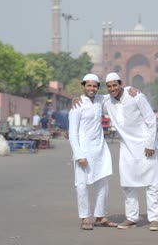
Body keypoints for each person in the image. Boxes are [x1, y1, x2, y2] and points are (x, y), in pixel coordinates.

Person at [103, 72, 158, 231]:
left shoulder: (136, 96)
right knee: (127, 183)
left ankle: (154, 219)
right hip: (127, 147)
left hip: (145, 146)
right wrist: (79, 99)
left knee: (151, 183)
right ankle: (131, 218)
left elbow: (151, 119)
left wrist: (150, 144)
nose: (112, 89)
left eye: (115, 85)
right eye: (109, 86)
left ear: (120, 84)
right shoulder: (107, 102)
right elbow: (92, 100)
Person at [68, 73, 118, 230]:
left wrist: (132, 89)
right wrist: (79, 155)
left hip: (100, 150)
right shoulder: (77, 106)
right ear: (83, 86)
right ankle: (84, 218)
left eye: (94, 86)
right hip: (84, 151)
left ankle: (100, 216)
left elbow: (116, 91)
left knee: (103, 184)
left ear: (97, 88)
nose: (92, 88)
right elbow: (72, 134)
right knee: (82, 185)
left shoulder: (100, 101)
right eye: (88, 85)